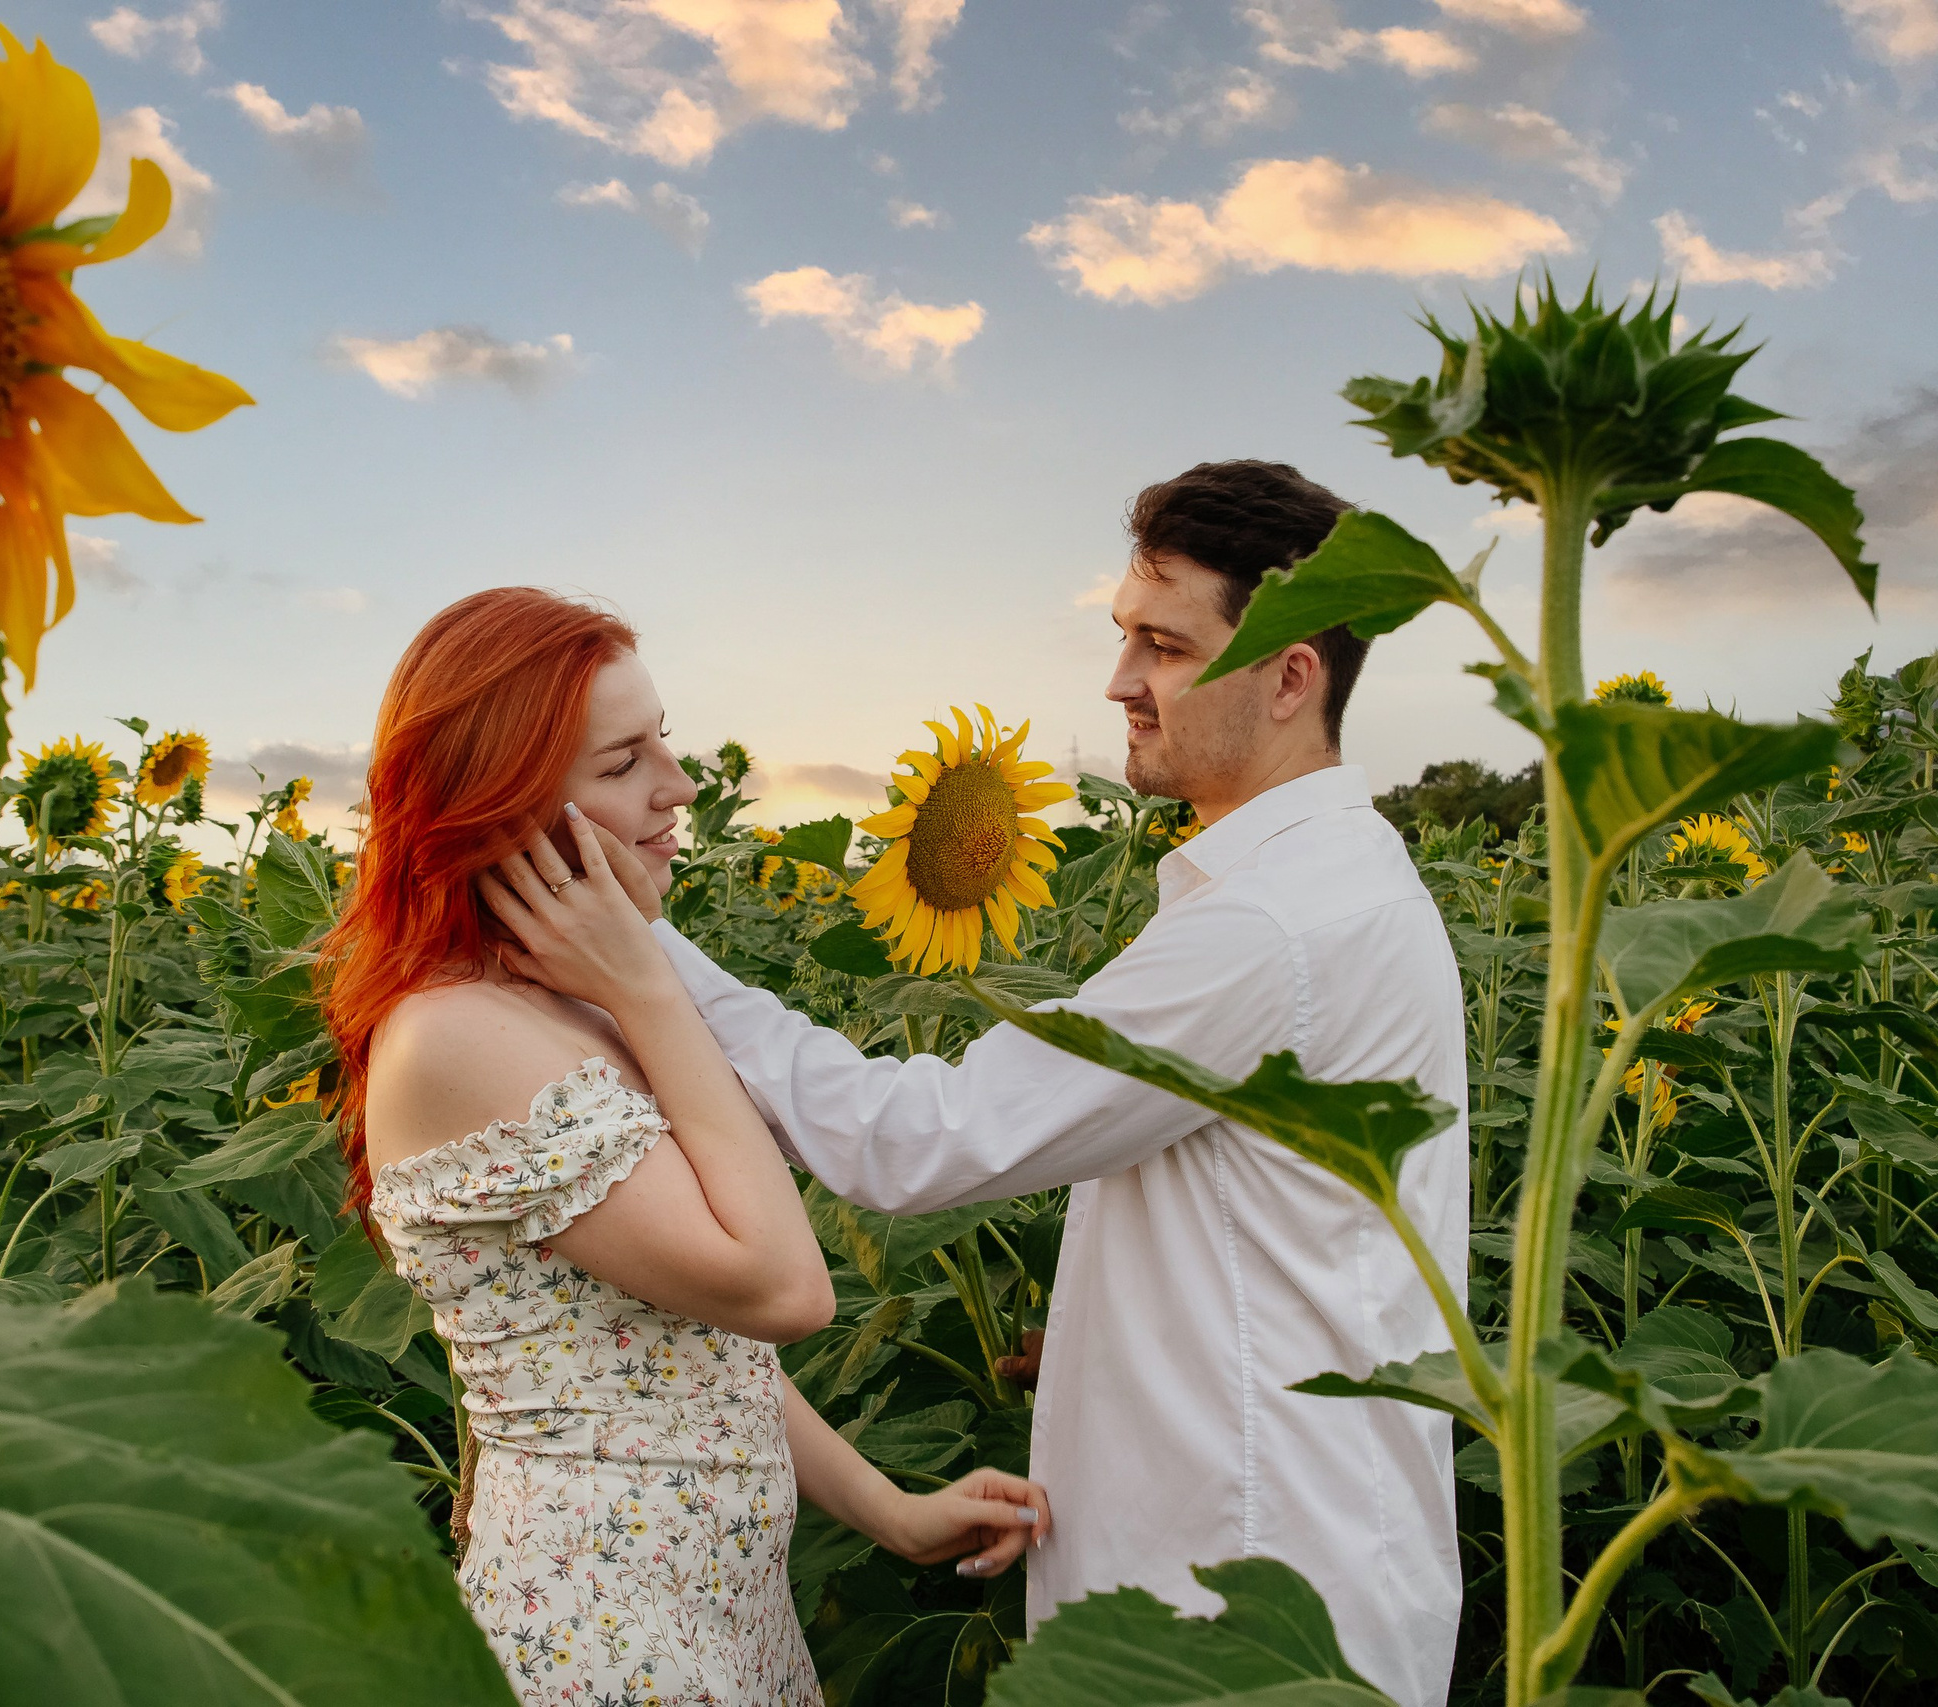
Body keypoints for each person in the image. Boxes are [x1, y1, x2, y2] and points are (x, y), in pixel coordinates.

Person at [489, 462, 1471, 1707]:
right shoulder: (1318, 889)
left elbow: (919, 1145)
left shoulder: (1272, 929)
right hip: (1266, 1559)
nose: (1119, 682)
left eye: (1163, 645)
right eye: (1123, 636)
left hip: (1244, 1603)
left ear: (1290, 676)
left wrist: (637, 954)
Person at [324, 587, 1054, 1707]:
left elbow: (690, 1356)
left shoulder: (560, 1011)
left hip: (710, 1607)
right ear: (501, 809)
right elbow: (783, 1290)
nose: (677, 785)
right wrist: (649, 986)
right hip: (596, 1626)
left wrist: (890, 1511)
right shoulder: (455, 1036)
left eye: (662, 737)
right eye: (623, 763)